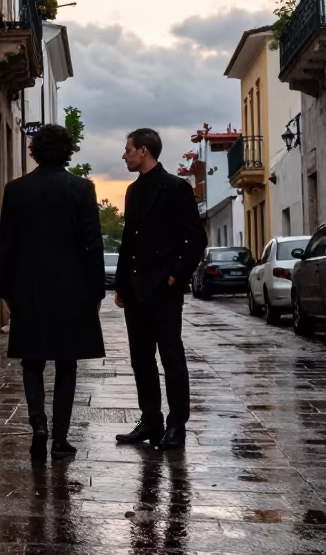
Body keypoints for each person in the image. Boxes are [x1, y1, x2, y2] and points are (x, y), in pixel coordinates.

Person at [0, 125, 106, 460]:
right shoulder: (82, 188)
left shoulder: (16, 190)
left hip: (28, 288)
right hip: (72, 288)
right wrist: (96, 291)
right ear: (68, 151)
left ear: (34, 150)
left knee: (32, 361)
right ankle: (60, 437)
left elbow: (7, 245)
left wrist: (7, 290)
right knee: (67, 362)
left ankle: (38, 425)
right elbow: (93, 245)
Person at [114, 128, 205, 452]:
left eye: (128, 149)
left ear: (143, 151)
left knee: (171, 357)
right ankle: (150, 418)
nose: (124, 155)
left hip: (165, 291)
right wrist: (121, 284)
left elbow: (195, 238)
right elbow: (130, 242)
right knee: (141, 358)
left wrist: (176, 277)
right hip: (136, 290)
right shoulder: (132, 191)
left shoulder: (176, 188)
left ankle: (177, 425)